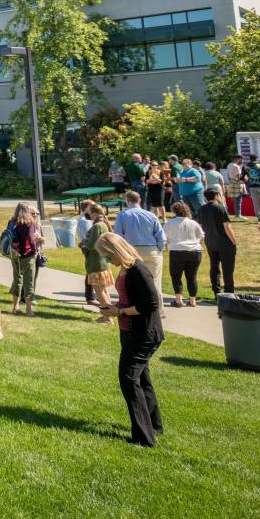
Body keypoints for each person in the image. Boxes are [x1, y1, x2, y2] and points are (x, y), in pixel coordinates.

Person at [95, 233, 164, 447]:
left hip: (143, 333)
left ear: (115, 250)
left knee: (128, 378)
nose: (108, 261)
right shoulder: (126, 269)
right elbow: (133, 298)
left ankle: (144, 438)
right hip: (131, 331)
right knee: (141, 377)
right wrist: (114, 307)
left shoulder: (138, 269)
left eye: (107, 256)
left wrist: (120, 311)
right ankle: (154, 425)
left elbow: (151, 304)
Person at [111, 191, 165, 294]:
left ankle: (136, 308)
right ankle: (158, 308)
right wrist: (159, 250)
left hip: (131, 251)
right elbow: (161, 236)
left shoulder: (122, 215)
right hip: (151, 250)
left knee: (133, 283)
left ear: (127, 201)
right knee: (155, 283)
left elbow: (118, 236)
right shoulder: (151, 215)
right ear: (139, 200)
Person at [195, 188, 236, 297]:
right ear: (217, 195)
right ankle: (229, 292)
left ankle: (216, 291)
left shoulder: (201, 209)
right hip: (224, 242)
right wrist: (234, 241)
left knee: (214, 267)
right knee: (227, 269)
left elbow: (200, 228)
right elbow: (227, 227)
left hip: (211, 242)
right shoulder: (220, 208)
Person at [163, 202, 205, 308]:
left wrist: (166, 246)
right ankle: (192, 300)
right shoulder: (193, 223)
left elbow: (164, 238)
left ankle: (179, 300)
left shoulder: (169, 223)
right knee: (192, 277)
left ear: (174, 211)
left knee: (176, 276)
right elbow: (202, 236)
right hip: (194, 251)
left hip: (177, 251)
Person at [6, 203, 43, 315]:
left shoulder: (12, 222)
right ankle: (28, 309)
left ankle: (15, 307)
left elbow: (8, 237)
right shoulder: (30, 223)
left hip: (15, 254)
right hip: (28, 255)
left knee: (17, 279)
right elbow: (32, 239)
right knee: (29, 282)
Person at [80, 203, 115, 320]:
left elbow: (91, 245)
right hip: (103, 262)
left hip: (96, 263)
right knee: (104, 290)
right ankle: (110, 313)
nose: (88, 214)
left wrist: (83, 243)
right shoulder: (104, 224)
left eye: (89, 211)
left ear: (94, 213)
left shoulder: (97, 226)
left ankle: (107, 318)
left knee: (99, 293)